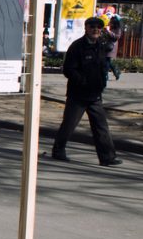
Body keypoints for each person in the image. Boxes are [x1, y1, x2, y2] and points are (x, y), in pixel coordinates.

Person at [51, 17, 122, 167]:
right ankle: (58, 151)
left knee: (101, 126)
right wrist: (82, 81)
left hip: (95, 95)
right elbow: (68, 69)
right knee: (69, 124)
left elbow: (104, 66)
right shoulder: (77, 47)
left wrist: (102, 83)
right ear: (86, 28)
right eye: (92, 27)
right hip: (78, 94)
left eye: (98, 27)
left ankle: (107, 157)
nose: (96, 29)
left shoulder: (101, 46)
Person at [103, 15, 123, 81]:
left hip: (111, 47)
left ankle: (106, 76)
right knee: (108, 61)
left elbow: (117, 37)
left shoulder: (118, 29)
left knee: (107, 62)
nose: (110, 22)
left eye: (111, 21)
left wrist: (109, 32)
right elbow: (107, 35)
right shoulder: (110, 27)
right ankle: (116, 72)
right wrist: (105, 31)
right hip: (107, 45)